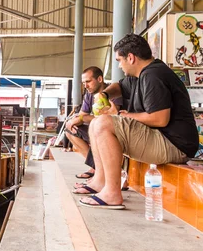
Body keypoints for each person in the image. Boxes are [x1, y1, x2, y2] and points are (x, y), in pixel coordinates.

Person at [78, 34, 199, 209]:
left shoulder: (153, 75)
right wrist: (104, 95)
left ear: (131, 57)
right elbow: (120, 86)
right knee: (98, 122)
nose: (119, 65)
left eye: (120, 60)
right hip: (161, 139)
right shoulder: (139, 75)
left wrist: (121, 115)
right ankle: (99, 182)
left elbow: (159, 119)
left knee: (103, 123)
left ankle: (112, 193)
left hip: (174, 144)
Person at [65, 66, 123, 180]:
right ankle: (96, 167)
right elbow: (81, 114)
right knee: (70, 130)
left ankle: (101, 172)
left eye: (88, 81)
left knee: (98, 128)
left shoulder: (111, 92)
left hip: (113, 131)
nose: (85, 86)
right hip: (96, 127)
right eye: (83, 82)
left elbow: (110, 118)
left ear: (100, 79)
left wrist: (82, 119)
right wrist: (75, 121)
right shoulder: (89, 95)